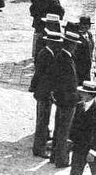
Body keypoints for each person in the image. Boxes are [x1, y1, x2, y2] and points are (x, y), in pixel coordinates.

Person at [30, 30, 62, 158]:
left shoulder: (47, 53)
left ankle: (39, 147)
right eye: (56, 43)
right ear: (51, 42)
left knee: (43, 120)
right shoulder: (46, 55)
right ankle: (39, 149)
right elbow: (42, 75)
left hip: (43, 92)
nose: (58, 45)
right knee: (42, 122)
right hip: (44, 93)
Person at [51, 31, 81, 167]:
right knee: (64, 130)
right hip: (68, 101)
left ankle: (54, 156)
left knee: (58, 128)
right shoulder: (66, 60)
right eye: (75, 45)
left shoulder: (60, 57)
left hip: (61, 100)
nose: (75, 47)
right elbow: (67, 83)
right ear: (71, 45)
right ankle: (61, 160)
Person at [69, 81, 96, 175]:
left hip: (93, 149)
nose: (80, 94)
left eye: (83, 92)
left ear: (90, 95)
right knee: (75, 172)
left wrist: (93, 152)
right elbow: (74, 126)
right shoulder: (79, 106)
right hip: (79, 147)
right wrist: (70, 140)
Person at [74, 16, 95, 84]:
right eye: (83, 24)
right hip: (79, 67)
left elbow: (91, 49)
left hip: (88, 66)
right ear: (79, 25)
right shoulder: (76, 36)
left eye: (87, 25)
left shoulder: (89, 34)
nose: (85, 27)